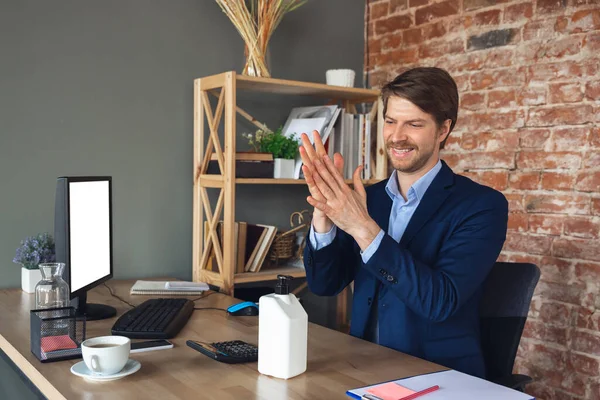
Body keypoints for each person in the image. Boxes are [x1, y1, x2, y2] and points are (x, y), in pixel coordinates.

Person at [299, 67, 508, 378]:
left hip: (438, 377)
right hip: (363, 368)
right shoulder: (367, 198)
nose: (397, 136)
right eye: (390, 121)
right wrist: (324, 216)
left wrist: (362, 228)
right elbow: (324, 285)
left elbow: (440, 301)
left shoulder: (481, 206)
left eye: (414, 124)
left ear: (443, 129)